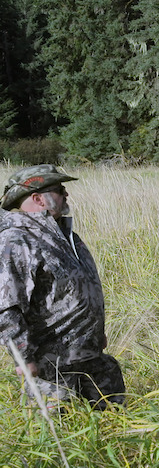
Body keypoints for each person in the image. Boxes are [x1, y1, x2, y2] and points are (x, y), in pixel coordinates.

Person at [0, 165, 124, 410]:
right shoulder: (16, 241)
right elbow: (6, 308)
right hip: (51, 369)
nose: (66, 194)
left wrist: (96, 333)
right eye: (58, 189)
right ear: (37, 199)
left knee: (114, 426)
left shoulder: (65, 236)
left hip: (91, 359)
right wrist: (25, 358)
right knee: (62, 442)